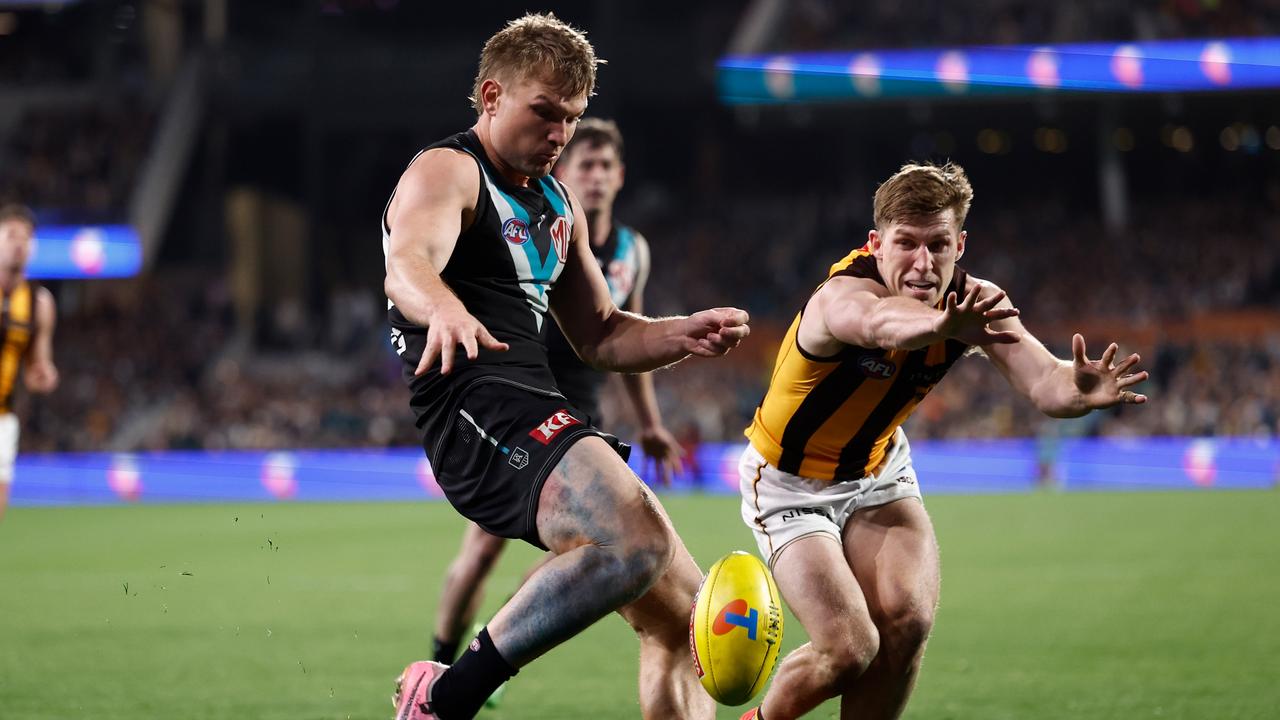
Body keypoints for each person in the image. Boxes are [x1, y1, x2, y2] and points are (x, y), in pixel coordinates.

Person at [382, 14, 743, 720]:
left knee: (688, 623)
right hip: (475, 404)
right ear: (490, 97)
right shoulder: (448, 169)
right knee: (636, 540)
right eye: (543, 113)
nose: (558, 136)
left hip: (544, 407)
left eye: (571, 120)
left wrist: (681, 333)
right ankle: (445, 698)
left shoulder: (557, 203)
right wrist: (446, 310)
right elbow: (406, 264)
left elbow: (602, 334)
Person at [735, 162, 1148, 720]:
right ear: (877, 243)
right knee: (849, 649)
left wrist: (1081, 391)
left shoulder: (974, 301)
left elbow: (1045, 383)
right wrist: (941, 327)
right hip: (789, 483)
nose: (923, 263)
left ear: (961, 244)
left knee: (908, 621)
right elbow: (882, 323)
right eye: (906, 244)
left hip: (878, 467)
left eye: (939, 244)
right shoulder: (841, 297)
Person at [429, 118, 686, 686]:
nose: (594, 177)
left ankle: (474, 667)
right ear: (564, 175)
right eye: (584, 166)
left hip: (583, 417)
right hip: (527, 415)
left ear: (620, 176)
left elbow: (616, 331)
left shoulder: (632, 253)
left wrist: (649, 422)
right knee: (483, 553)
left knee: (602, 554)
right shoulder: (540, 230)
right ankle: (445, 664)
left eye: (604, 166)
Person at [0, 204, 59, 522]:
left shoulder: (39, 302)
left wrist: (43, 375)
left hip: (3, 417)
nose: (18, 243)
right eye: (10, 235)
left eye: (25, 237)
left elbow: (38, 365)